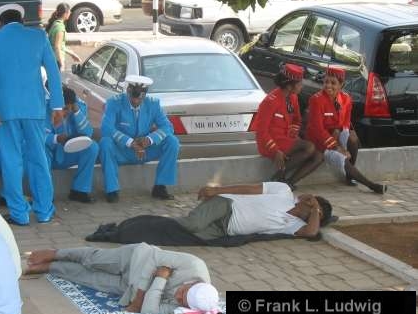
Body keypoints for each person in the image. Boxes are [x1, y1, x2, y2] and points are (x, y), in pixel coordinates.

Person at [0, 3, 64, 226]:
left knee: (11, 161)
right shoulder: (38, 37)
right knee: (39, 158)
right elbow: (54, 73)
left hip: (4, 111)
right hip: (35, 108)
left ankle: (19, 214)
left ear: (0, 23)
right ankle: (45, 211)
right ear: (23, 20)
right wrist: (57, 106)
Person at [86, 182, 333, 246]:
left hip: (225, 229)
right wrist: (218, 190)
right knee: (191, 226)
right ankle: (125, 227)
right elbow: (248, 188)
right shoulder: (283, 191)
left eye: (314, 212)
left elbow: (311, 232)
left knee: (179, 234)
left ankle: (124, 231)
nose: (308, 210)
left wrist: (317, 212)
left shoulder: (293, 225)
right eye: (310, 205)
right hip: (226, 205)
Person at [25, 242, 219, 314]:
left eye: (181, 301)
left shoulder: (190, 307)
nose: (177, 297)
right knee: (92, 259)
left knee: (88, 278)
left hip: (131, 289)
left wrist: (160, 280)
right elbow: (153, 259)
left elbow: (150, 310)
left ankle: (50, 267)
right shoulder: (194, 265)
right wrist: (140, 297)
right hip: (135, 258)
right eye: (182, 293)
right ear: (192, 284)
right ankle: (56, 253)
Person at [306, 66, 387, 194]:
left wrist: (342, 132)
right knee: (341, 158)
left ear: (341, 85)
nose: (328, 86)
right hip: (320, 141)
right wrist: (338, 147)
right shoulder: (316, 100)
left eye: (333, 83)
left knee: (353, 140)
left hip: (334, 134)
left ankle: (350, 175)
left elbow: (345, 122)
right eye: (326, 81)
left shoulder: (346, 99)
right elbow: (317, 130)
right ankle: (371, 185)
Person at [100, 75, 180, 203]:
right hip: (122, 150)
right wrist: (130, 142)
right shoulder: (113, 102)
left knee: (172, 142)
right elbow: (106, 128)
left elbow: (168, 127)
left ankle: (160, 186)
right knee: (105, 143)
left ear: (145, 95)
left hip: (146, 150)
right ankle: (112, 190)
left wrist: (149, 140)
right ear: (127, 91)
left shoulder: (153, 104)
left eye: (140, 98)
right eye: (133, 97)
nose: (136, 101)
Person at [251, 63, 323, 190]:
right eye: (300, 83)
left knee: (319, 156)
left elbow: (296, 120)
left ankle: (288, 182)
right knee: (309, 147)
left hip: (285, 139)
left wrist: (293, 134)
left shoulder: (293, 97)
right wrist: (275, 151)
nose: (302, 85)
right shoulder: (270, 101)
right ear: (290, 86)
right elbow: (261, 131)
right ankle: (275, 178)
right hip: (270, 142)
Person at [45, 87, 99, 203]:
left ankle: (79, 191)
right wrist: (56, 139)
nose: (65, 112)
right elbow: (39, 137)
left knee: (92, 147)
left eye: (67, 108)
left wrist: (76, 112)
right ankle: (45, 194)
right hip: (50, 155)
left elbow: (88, 133)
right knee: (42, 150)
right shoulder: (46, 108)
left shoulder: (78, 108)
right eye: (63, 108)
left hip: (68, 153)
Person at [46, 2, 81, 71]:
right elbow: (57, 46)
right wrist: (61, 62)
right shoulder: (60, 27)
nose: (70, 12)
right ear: (65, 13)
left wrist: (72, 54)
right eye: (69, 11)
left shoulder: (55, 24)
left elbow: (59, 46)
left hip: (51, 59)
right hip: (56, 61)